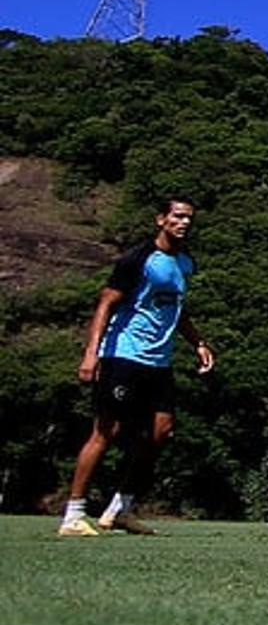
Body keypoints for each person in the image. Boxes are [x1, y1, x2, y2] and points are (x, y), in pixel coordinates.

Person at [57, 199, 215, 537]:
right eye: (177, 216)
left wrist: (198, 343)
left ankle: (120, 510)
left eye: (189, 218)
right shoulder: (138, 259)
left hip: (160, 362)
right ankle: (73, 513)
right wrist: (91, 353)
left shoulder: (185, 262)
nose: (184, 223)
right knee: (107, 431)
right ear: (161, 219)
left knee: (162, 431)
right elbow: (106, 303)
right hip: (124, 355)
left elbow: (176, 309)